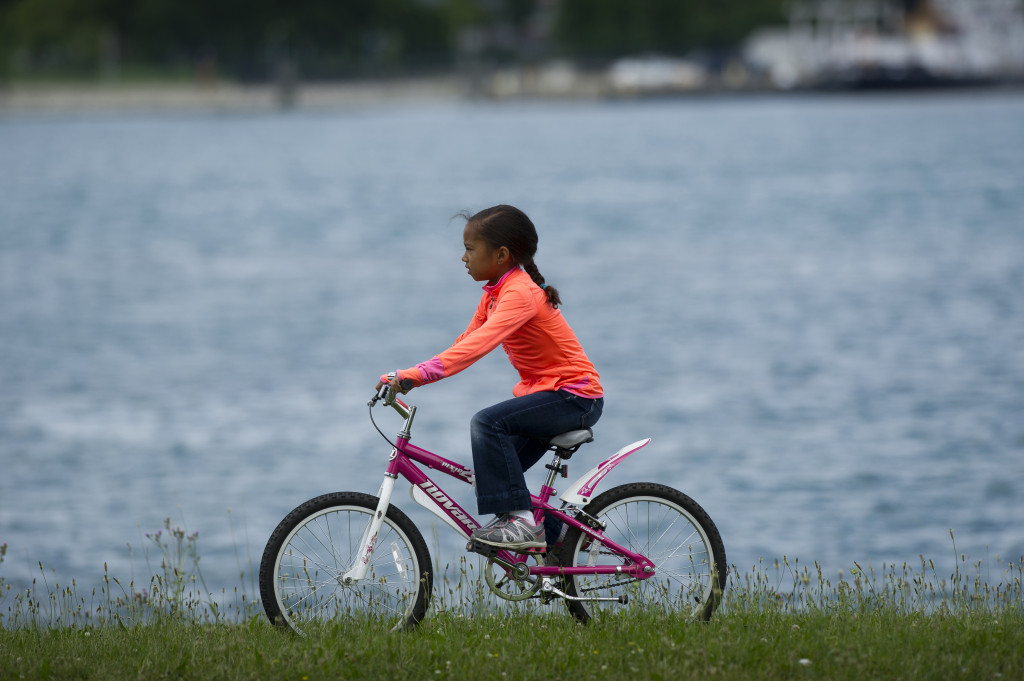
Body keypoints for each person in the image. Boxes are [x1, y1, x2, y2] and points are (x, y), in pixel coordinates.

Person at [377, 205, 604, 552]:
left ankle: (522, 526)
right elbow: (464, 343)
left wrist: (415, 376)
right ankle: (560, 538)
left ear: (500, 254)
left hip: (575, 398)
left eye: (470, 249)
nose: (463, 258)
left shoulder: (519, 294)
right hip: (551, 394)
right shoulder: (496, 294)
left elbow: (477, 347)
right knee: (494, 475)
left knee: (487, 424)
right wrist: (411, 375)